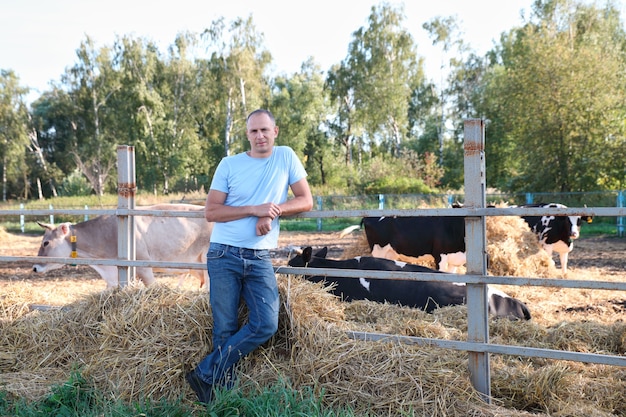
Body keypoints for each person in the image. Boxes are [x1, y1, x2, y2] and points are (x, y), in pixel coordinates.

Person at [186, 109, 313, 403]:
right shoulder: (229, 164)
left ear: (275, 131)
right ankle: (220, 399)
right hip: (223, 255)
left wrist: (273, 210)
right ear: (247, 135)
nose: (260, 136)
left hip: (258, 257)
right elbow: (212, 212)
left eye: (264, 130)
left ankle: (205, 372)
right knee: (225, 328)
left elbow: (305, 200)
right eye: (254, 131)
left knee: (266, 324)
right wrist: (254, 209)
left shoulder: (285, 157)